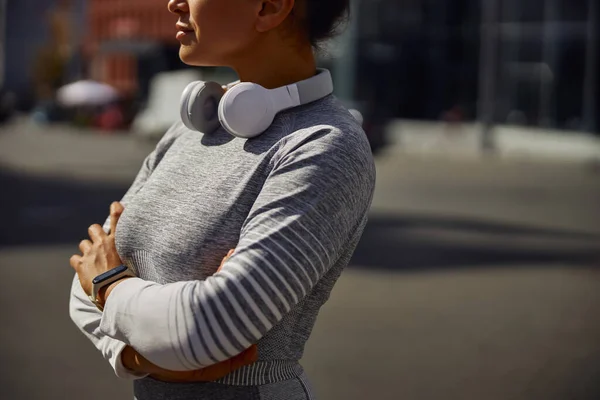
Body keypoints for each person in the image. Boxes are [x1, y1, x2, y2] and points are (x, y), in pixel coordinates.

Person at [68, 0, 376, 399]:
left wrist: (110, 286)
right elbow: (81, 284)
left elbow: (209, 328)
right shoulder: (194, 127)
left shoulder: (325, 146)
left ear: (269, 7)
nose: (173, 2)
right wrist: (136, 358)